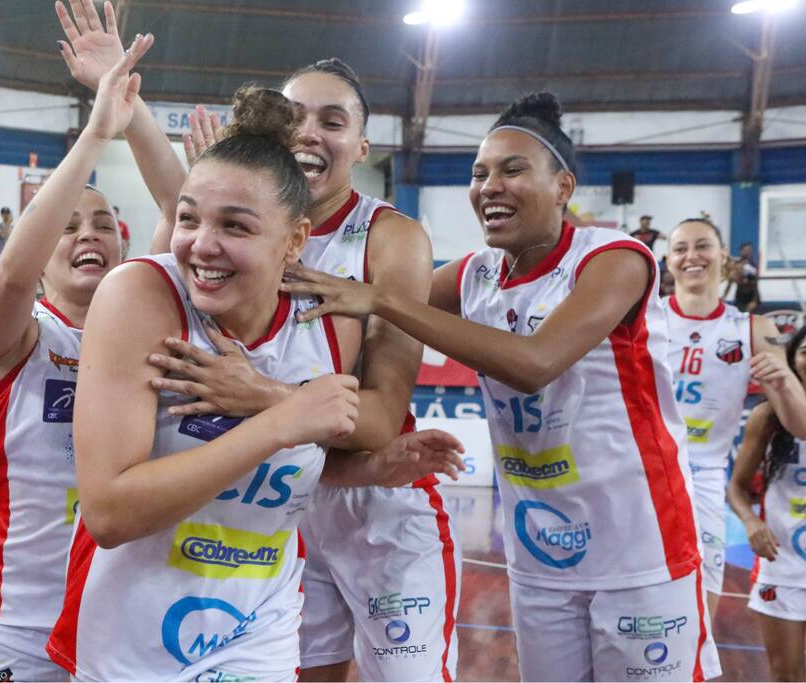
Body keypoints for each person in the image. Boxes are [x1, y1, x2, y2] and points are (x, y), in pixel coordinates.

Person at [44, 32, 463, 677]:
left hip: (282, 573)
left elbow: (346, 424)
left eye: (334, 120)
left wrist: (292, 417)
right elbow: (111, 510)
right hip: (146, 608)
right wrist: (128, 113)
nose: (205, 244)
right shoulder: (155, 288)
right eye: (297, 117)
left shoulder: (363, 274)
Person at [283, 91, 722, 682]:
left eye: (513, 169)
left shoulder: (615, 258)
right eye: (478, 173)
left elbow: (535, 362)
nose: (489, 185)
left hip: (641, 545)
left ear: (563, 186)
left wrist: (383, 297)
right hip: (540, 551)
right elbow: (349, 309)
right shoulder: (475, 274)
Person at [0, 38, 148, 683]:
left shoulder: (154, 338)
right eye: (67, 226)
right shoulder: (18, 336)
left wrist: (133, 114)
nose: (89, 233)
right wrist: (97, 135)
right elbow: (10, 277)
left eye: (103, 222)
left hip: (122, 620)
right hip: (18, 624)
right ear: (41, 251)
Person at [665, 217, 806, 623]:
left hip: (703, 481)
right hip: (639, 477)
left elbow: (799, 425)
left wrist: (784, 384)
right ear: (669, 262)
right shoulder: (645, 320)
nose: (692, 256)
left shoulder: (754, 328)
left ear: (723, 258)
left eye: (703, 246)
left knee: (699, 616)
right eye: (680, 248)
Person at [729, 324, 806, 682]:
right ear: (791, 360)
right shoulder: (767, 418)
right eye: (805, 351)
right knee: (786, 676)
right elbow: (737, 487)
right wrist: (750, 521)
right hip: (784, 565)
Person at [725, 241, 761, 312]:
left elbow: (755, 278)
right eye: (746, 250)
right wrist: (724, 297)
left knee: (748, 314)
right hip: (740, 295)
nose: (748, 252)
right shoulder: (738, 264)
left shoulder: (752, 264)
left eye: (749, 250)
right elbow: (730, 281)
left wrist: (754, 300)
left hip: (752, 294)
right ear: (741, 251)